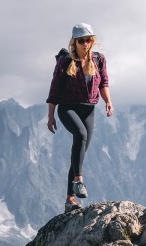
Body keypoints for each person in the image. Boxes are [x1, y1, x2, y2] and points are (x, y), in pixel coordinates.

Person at [46, 23, 113, 210]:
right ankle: (79, 180)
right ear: (74, 42)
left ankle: (70, 199)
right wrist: (50, 117)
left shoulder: (99, 60)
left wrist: (108, 101)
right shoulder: (65, 62)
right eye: (81, 41)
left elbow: (104, 83)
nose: (86, 44)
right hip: (67, 108)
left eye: (89, 40)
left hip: (88, 109)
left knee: (80, 154)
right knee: (81, 135)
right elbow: (54, 90)